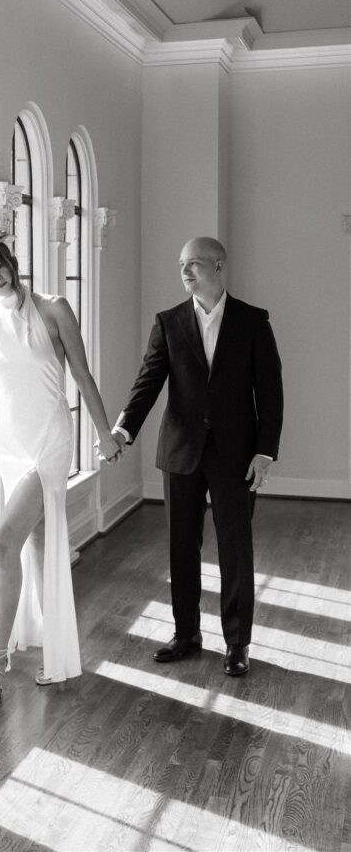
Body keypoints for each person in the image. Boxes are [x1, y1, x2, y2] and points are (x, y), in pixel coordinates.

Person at [0, 223, 121, 705]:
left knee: (3, 541)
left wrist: (103, 432)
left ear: (13, 263)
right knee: (35, 541)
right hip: (7, 441)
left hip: (48, 440)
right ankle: (56, 650)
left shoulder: (53, 308)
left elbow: (81, 371)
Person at [111, 237, 283, 676]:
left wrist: (265, 452)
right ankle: (185, 633)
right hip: (180, 452)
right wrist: (123, 428)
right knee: (181, 548)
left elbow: (271, 392)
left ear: (219, 266)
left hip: (236, 455)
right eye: (182, 264)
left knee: (235, 549)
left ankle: (237, 643)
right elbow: (148, 381)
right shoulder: (168, 322)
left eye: (195, 264)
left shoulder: (252, 321)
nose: (186, 272)